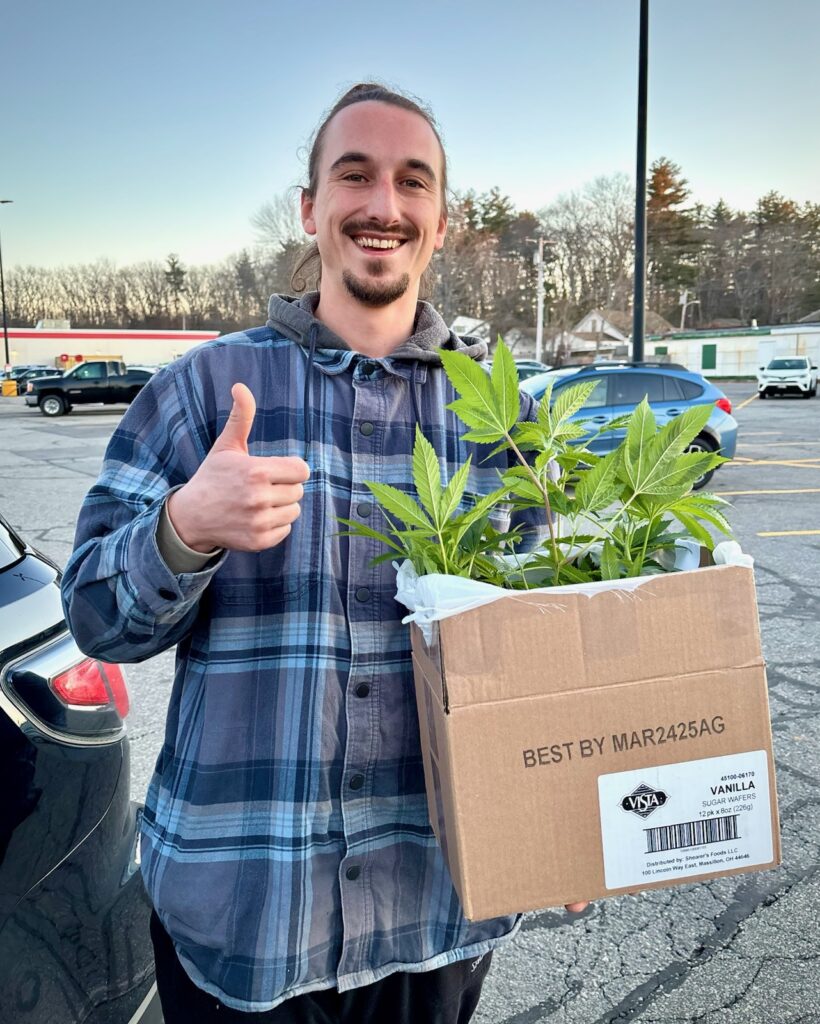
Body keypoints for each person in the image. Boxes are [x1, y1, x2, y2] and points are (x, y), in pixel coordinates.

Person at [62, 83, 587, 1023]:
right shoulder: (202, 392)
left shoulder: (507, 425)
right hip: (239, 926)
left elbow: (553, 662)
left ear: (441, 220)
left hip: (436, 919)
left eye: (410, 182)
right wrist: (183, 529)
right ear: (310, 207)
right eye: (354, 175)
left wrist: (567, 823)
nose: (383, 205)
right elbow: (95, 620)